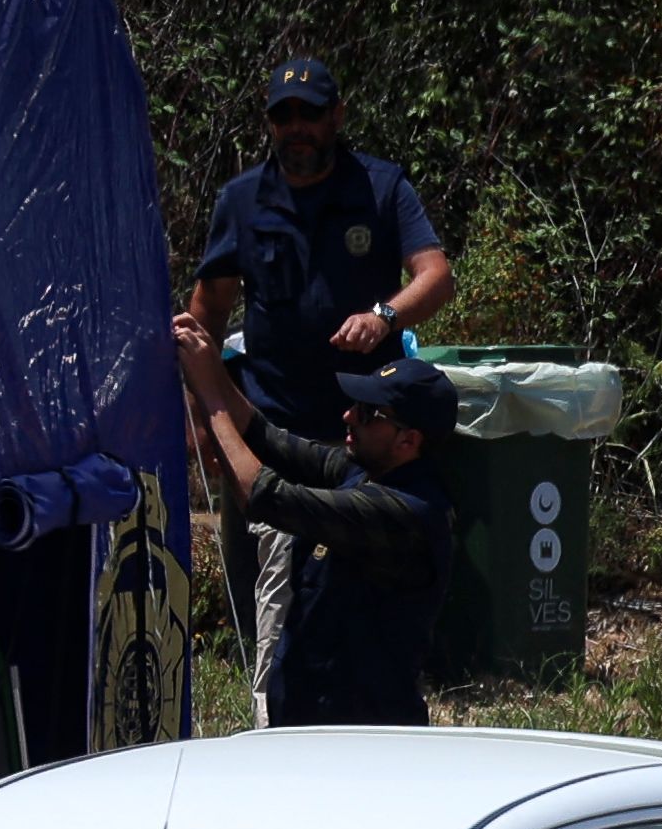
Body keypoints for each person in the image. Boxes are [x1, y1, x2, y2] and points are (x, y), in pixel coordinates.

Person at [191, 59, 455, 706]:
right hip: (271, 433)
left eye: (310, 113)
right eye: (283, 116)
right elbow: (206, 312)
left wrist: (384, 315)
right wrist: (204, 415)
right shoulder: (243, 201)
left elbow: (437, 276)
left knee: (353, 617)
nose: (297, 128)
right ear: (269, 123)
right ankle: (281, 711)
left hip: (364, 445)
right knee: (273, 613)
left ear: (336, 115)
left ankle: (310, 722)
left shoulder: (381, 188)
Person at [174, 312, 454, 726]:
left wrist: (210, 404)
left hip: (361, 742)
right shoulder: (362, 471)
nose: (348, 416)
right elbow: (269, 440)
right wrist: (214, 368)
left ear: (408, 440)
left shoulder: (402, 514)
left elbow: (266, 497)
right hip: (312, 726)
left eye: (366, 412)